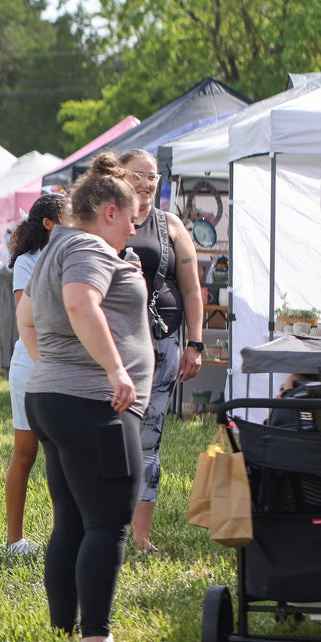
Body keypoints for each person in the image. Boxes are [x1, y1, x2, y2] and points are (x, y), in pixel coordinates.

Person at [18, 152, 150, 642]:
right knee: (109, 521)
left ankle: (62, 631)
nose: (133, 233)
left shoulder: (59, 246)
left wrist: (50, 362)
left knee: (71, 519)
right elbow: (79, 302)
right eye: (132, 221)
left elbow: (28, 314)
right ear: (110, 211)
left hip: (54, 395)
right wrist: (116, 371)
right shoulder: (90, 247)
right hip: (93, 401)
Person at [119, 148, 204, 553]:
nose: (146, 183)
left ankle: (140, 535)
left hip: (164, 342)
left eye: (152, 176)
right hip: (116, 346)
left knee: (149, 439)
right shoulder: (106, 222)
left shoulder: (170, 225)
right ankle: (108, 527)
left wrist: (196, 344)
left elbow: (191, 288)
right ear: (120, 176)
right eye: (138, 175)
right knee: (114, 436)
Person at [2, 192, 69, 556]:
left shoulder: (75, 255)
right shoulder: (28, 262)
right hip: (32, 365)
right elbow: (24, 315)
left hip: (67, 364)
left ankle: (64, 537)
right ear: (48, 224)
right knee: (25, 454)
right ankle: (14, 540)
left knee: (62, 456)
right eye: (66, 216)